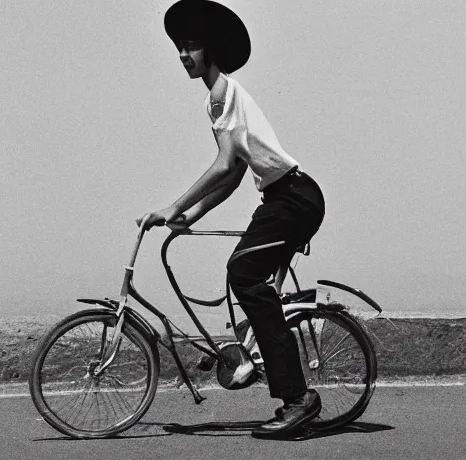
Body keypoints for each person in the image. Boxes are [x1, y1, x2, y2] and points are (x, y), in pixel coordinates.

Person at [137, 0, 326, 435]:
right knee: (246, 275)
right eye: (180, 49)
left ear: (211, 50)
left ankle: (298, 398)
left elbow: (223, 166)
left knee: (242, 271)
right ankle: (273, 372)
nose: (184, 56)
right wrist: (195, 214)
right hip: (284, 199)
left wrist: (174, 207)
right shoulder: (218, 100)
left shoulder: (224, 92)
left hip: (294, 198)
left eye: (191, 47)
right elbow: (236, 172)